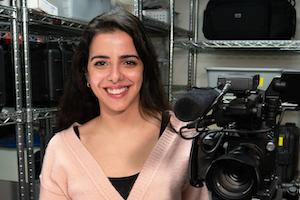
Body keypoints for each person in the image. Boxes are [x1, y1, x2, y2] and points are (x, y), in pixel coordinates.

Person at [39, 7, 209, 200]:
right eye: (101, 63)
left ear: (144, 69)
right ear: (86, 73)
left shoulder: (184, 137)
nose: (115, 76)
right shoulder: (61, 149)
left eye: (128, 62)